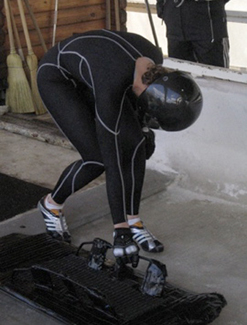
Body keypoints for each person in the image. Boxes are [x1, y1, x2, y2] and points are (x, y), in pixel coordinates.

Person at [37, 29, 202, 267]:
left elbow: (137, 121)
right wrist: (119, 230)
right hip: (59, 79)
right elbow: (113, 157)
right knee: (97, 159)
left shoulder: (154, 58)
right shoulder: (111, 83)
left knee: (135, 144)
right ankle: (51, 204)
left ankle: (135, 221)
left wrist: (145, 129)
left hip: (98, 70)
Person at [157, 0, 230, 68]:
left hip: (207, 27)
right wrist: (162, 7)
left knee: (216, 74)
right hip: (175, 26)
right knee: (179, 74)